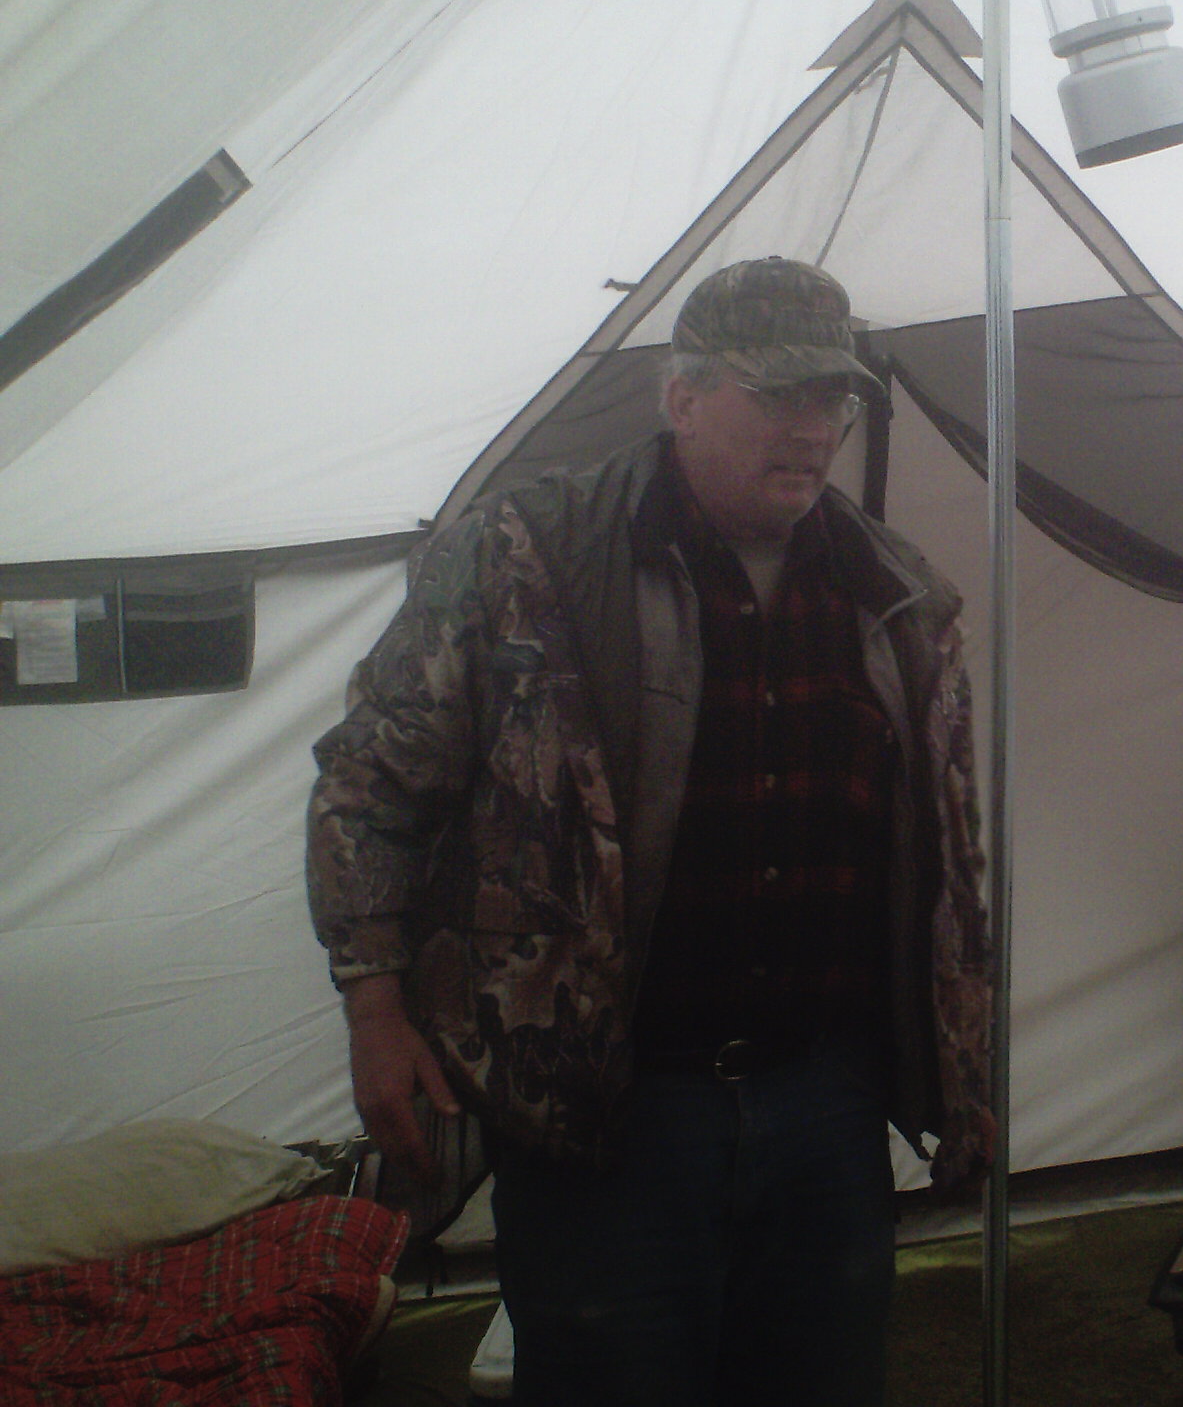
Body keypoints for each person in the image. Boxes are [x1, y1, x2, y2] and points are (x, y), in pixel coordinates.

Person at [306, 256, 992, 1406]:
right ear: (681, 398)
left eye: (831, 398)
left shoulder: (895, 593)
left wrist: (959, 1061)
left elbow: (945, 862)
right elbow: (372, 784)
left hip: (824, 1095)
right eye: (776, 395)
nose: (811, 427)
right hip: (607, 1107)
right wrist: (373, 1006)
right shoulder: (521, 554)